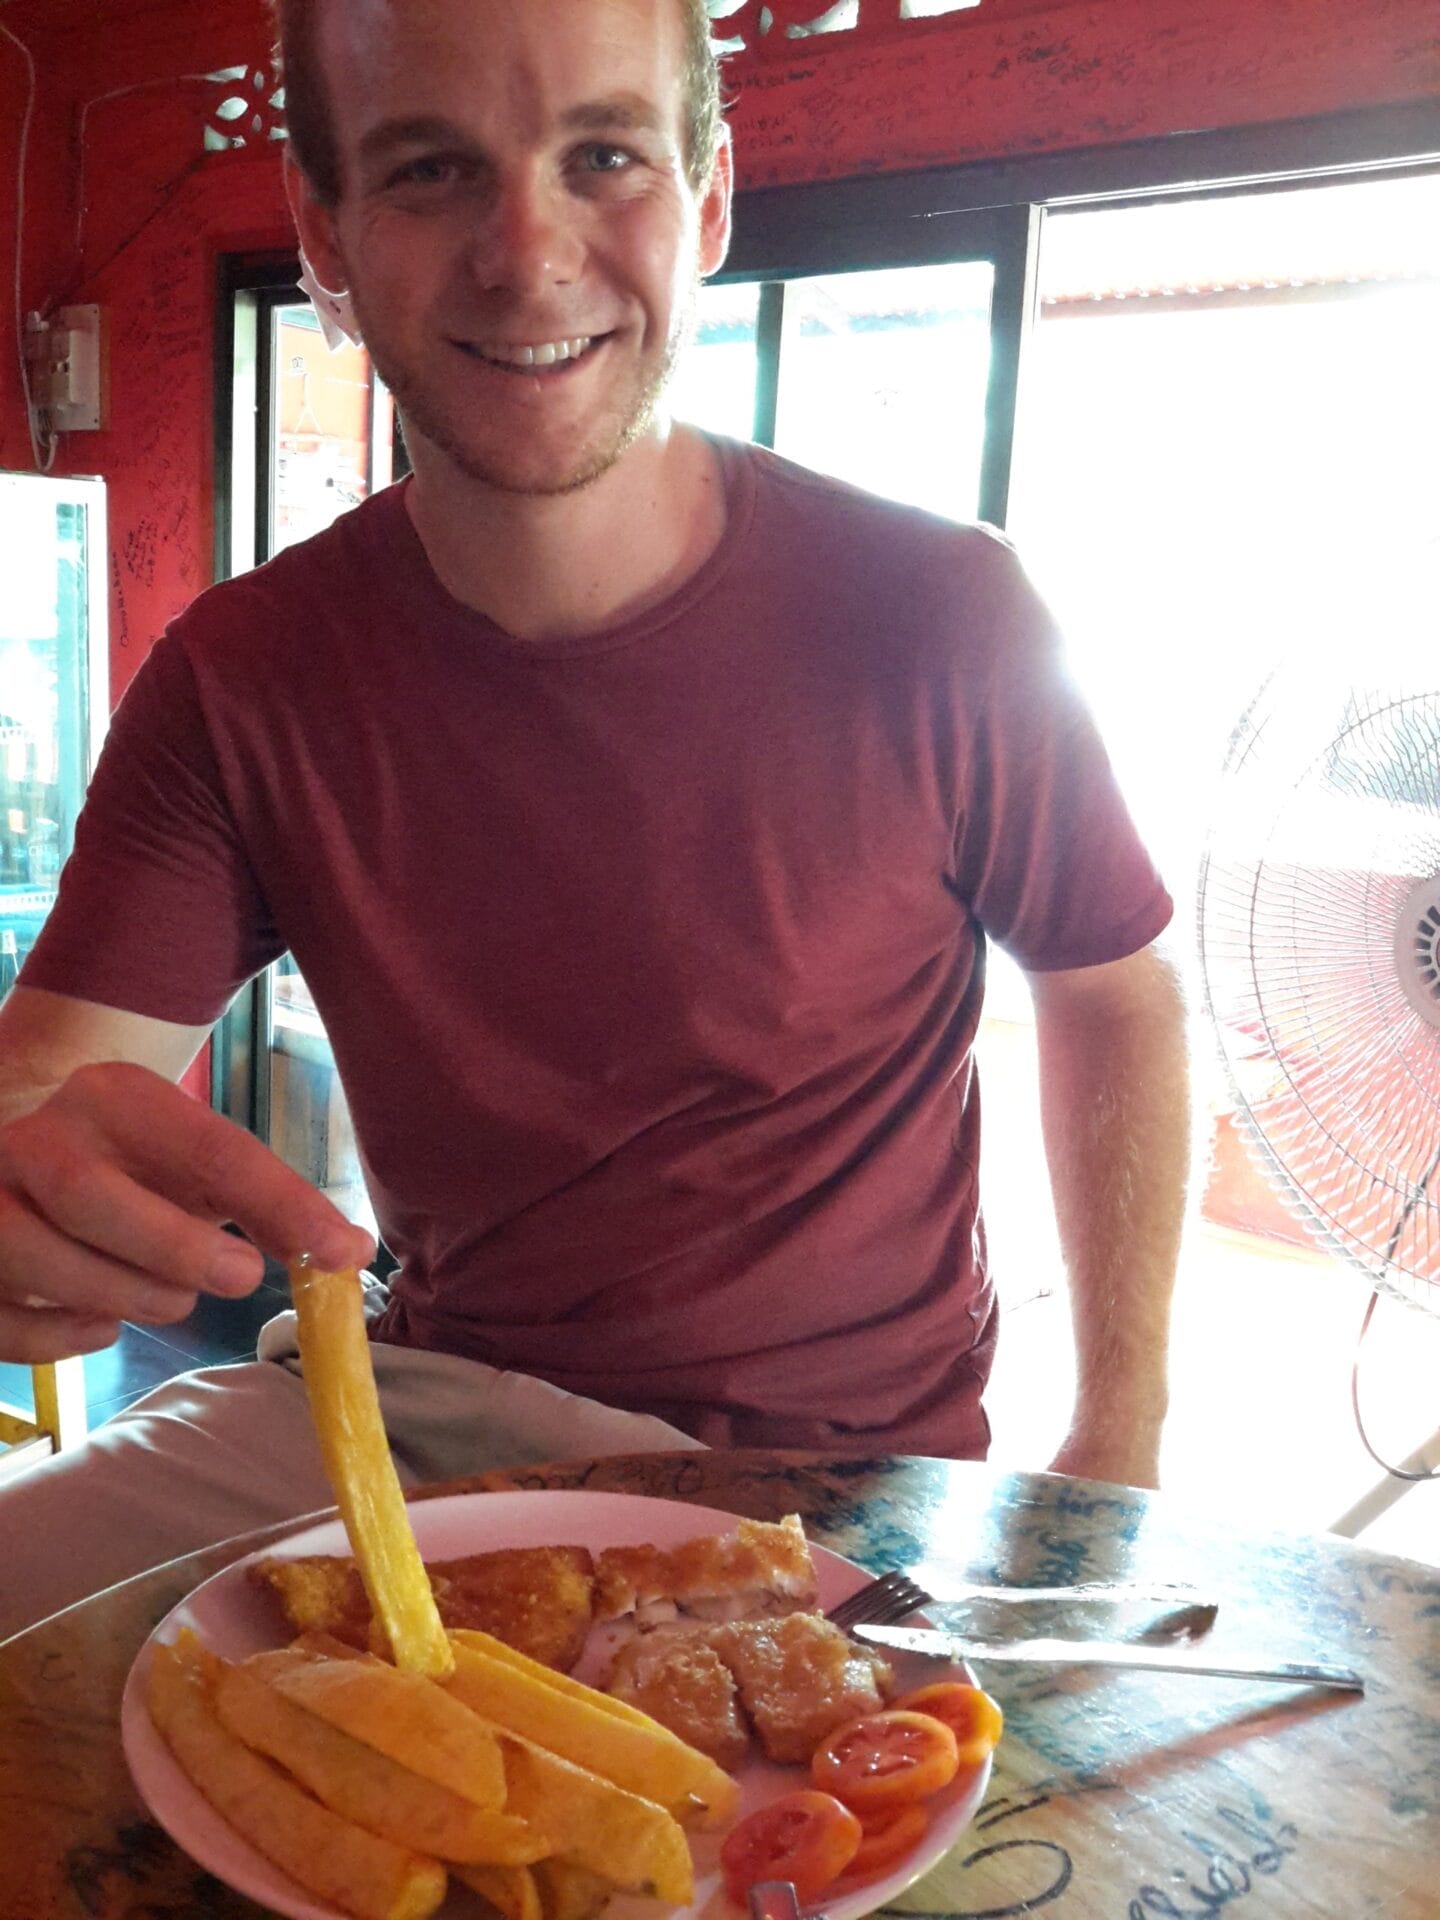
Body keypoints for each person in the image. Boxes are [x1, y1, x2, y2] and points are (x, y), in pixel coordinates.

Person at [0, 0, 1189, 1640]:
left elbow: (1113, 986)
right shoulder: (241, 675)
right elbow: (53, 1077)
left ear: (705, 197)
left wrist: (1110, 1457)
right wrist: (31, 1192)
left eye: (604, 155)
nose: (527, 251)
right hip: (424, 1406)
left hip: (838, 1481)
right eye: (429, 170)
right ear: (323, 233)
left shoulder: (946, 614)